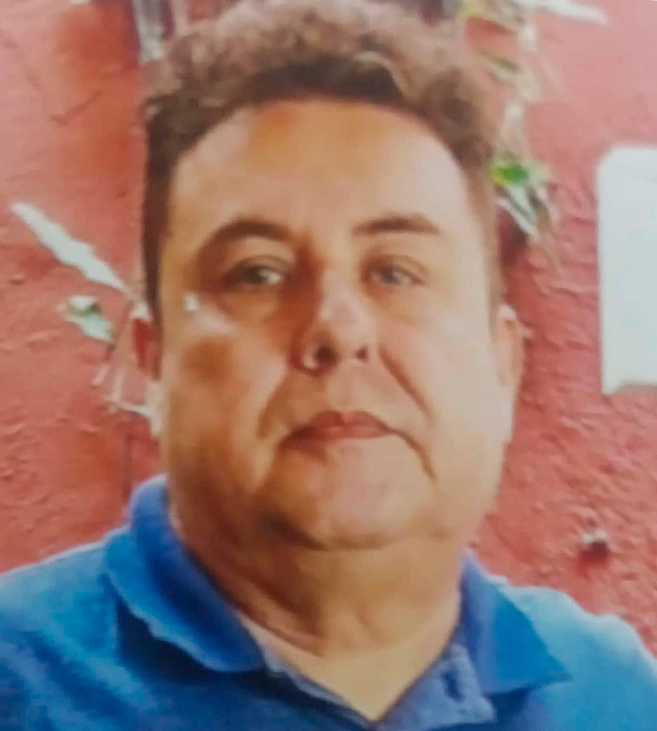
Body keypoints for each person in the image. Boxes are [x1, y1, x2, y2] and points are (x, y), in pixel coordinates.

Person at [1, 1, 656, 728]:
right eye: (258, 273)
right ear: (152, 364)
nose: (338, 329)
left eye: (396, 272)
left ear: (502, 363)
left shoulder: (610, 697)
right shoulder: (20, 680)